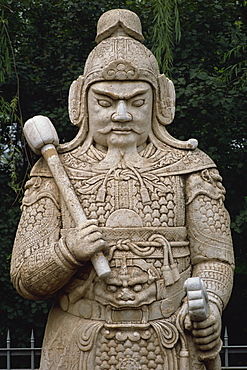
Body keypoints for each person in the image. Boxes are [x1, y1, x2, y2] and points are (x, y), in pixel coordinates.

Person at [11, 9, 234, 370]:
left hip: (170, 341)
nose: (121, 115)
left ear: (160, 102)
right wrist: (69, 251)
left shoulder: (191, 168)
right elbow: (25, 276)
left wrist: (208, 305)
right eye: (105, 101)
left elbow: (214, 261)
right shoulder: (54, 172)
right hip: (78, 343)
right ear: (79, 102)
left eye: (136, 101)